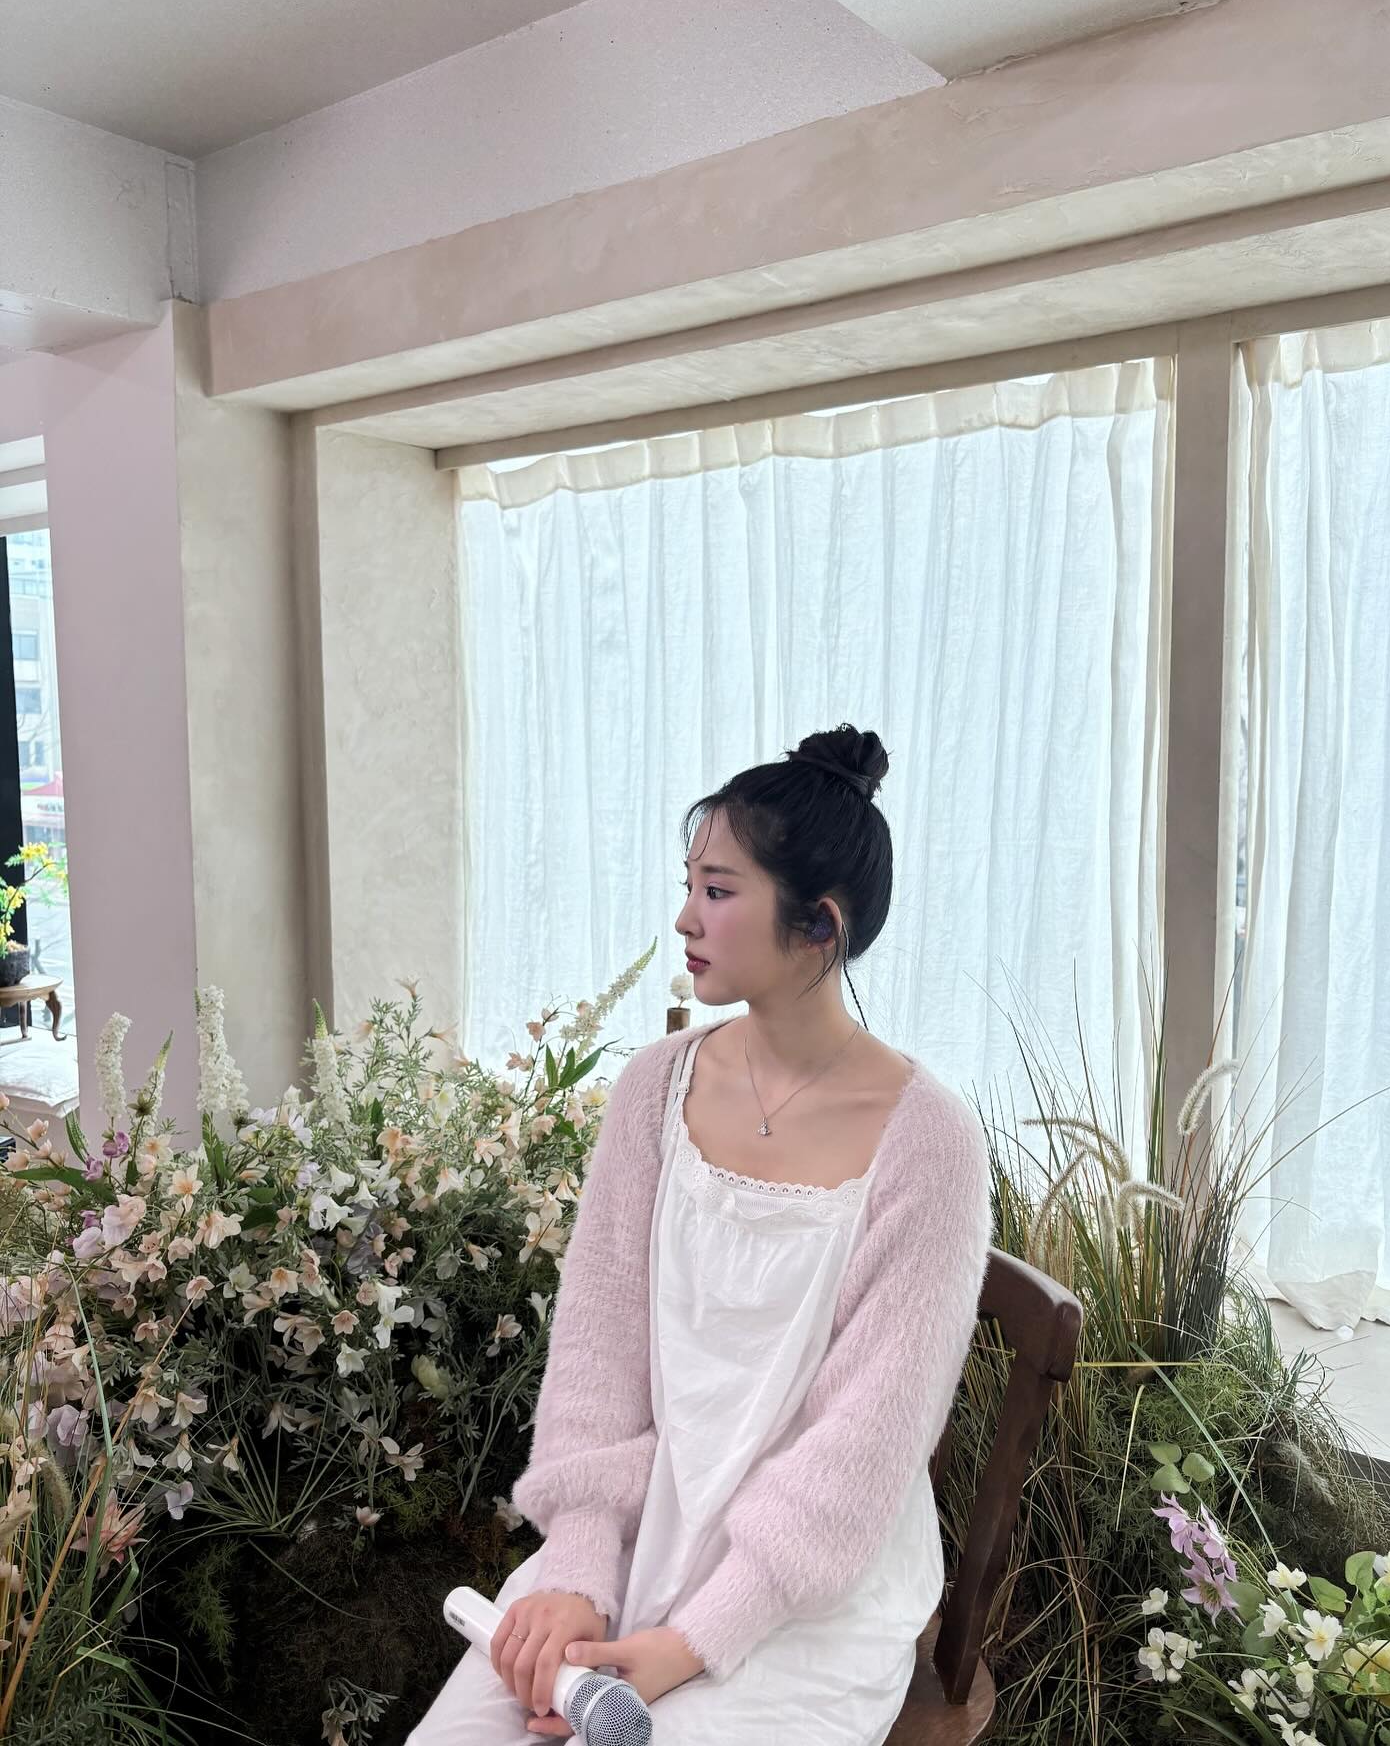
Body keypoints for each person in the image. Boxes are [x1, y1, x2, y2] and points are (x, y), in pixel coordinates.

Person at [407, 724, 993, 1745]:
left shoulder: (929, 1143)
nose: (685, 916)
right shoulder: (653, 1089)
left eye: (718, 891)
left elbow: (864, 1447)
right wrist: (577, 1574)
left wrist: (688, 1644)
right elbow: (598, 1352)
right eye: (690, 884)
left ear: (819, 922)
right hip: (634, 1535)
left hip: (802, 1597)